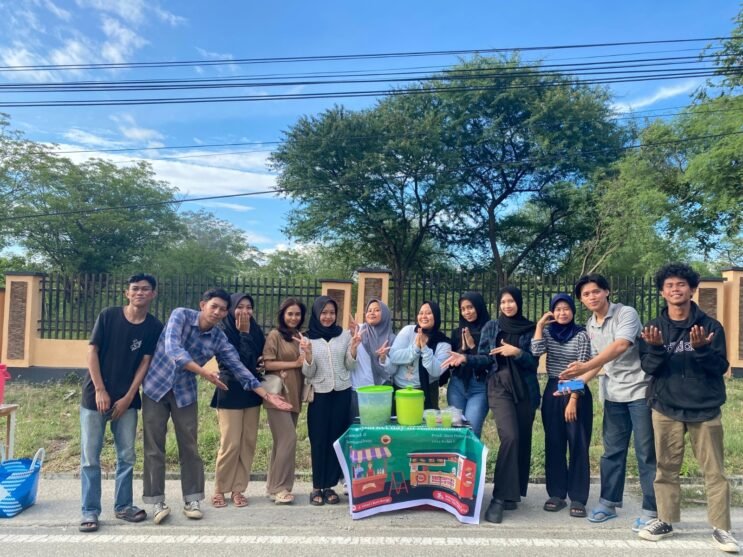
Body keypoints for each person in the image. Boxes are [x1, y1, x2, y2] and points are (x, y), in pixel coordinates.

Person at [141, 288, 291, 524]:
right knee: (154, 448)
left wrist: (266, 394)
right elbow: (173, 349)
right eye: (214, 307)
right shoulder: (180, 315)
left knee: (190, 447)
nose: (218, 312)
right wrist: (203, 372)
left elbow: (239, 367)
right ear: (203, 305)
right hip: (156, 388)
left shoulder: (218, 337)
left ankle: (192, 500)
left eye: (223, 309)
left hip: (185, 393)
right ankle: (157, 501)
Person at [637, 263, 739, 553]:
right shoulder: (653, 328)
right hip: (666, 407)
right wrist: (657, 348)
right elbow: (648, 367)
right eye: (669, 285)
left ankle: (721, 528)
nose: (675, 289)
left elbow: (720, 367)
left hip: (705, 408)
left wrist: (703, 350)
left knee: (714, 471)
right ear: (662, 292)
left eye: (681, 284)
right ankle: (665, 520)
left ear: (692, 289)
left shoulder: (710, 327)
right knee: (666, 468)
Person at [562, 273, 657, 530]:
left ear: (606, 291)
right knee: (612, 451)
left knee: (645, 452)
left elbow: (620, 346)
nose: (591, 297)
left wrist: (585, 366)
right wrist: (574, 384)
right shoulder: (591, 324)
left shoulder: (626, 313)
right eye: (586, 294)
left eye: (595, 291)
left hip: (640, 391)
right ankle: (608, 503)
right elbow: (598, 363)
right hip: (613, 394)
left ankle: (652, 509)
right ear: (582, 300)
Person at [79, 273, 163, 533]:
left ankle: (124, 506)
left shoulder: (154, 326)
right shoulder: (108, 316)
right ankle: (89, 510)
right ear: (127, 293)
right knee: (90, 458)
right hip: (95, 397)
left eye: (145, 289)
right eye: (135, 288)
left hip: (127, 401)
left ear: (153, 294)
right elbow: (92, 351)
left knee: (126, 456)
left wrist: (128, 397)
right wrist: (100, 390)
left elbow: (145, 362)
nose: (139, 293)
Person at [471, 287, 540, 524]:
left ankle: (513, 494)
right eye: (503, 302)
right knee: (510, 436)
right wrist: (466, 358)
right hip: (499, 386)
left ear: (518, 302)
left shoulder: (529, 328)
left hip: (525, 389)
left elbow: (533, 362)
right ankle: (499, 498)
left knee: (522, 439)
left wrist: (517, 352)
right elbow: (484, 357)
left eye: (511, 301)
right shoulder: (491, 327)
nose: (507, 306)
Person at [531, 293, 593, 518]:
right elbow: (536, 352)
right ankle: (556, 494)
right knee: (554, 442)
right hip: (553, 390)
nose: (562, 313)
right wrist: (539, 325)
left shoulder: (581, 335)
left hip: (576, 390)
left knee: (578, 444)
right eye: (557, 309)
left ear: (573, 312)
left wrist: (573, 399)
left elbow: (584, 367)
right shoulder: (548, 332)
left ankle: (578, 497)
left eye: (566, 309)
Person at [298, 295, 360, 506]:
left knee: (336, 439)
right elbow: (308, 372)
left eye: (332, 313)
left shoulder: (344, 335)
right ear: (317, 314)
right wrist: (308, 355)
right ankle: (317, 486)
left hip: (342, 391)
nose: (328, 317)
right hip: (319, 393)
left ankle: (330, 486)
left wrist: (354, 348)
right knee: (319, 439)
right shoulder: (307, 339)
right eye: (324, 313)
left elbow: (350, 365)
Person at [209, 293, 265, 509]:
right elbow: (236, 362)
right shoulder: (223, 332)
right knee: (230, 443)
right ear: (231, 310)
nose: (245, 311)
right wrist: (242, 334)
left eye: (249, 307)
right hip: (230, 390)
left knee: (247, 442)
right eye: (239, 307)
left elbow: (256, 360)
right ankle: (220, 488)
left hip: (252, 393)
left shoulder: (256, 330)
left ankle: (238, 489)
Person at [262, 297, 307, 505]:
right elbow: (268, 364)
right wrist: (295, 364)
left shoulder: (300, 336)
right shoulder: (275, 335)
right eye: (290, 314)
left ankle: (274, 486)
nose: (293, 317)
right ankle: (280, 488)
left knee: (282, 442)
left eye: (297, 314)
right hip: (277, 394)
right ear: (283, 315)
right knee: (289, 438)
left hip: (294, 393)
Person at [444, 292, 491, 438]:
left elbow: (490, 361)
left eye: (470, 307)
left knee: (472, 432)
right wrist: (463, 349)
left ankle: (472, 455)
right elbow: (452, 363)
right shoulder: (457, 332)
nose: (466, 312)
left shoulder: (490, 330)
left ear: (478, 306)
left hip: (479, 387)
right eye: (463, 309)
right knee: (456, 432)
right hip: (457, 386)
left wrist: (472, 346)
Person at [389, 300, 451, 410]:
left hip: (427, 391)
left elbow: (436, 371)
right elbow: (394, 356)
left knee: (425, 420)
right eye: (421, 313)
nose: (424, 316)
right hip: (400, 389)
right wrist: (416, 349)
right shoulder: (408, 331)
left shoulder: (444, 343)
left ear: (436, 316)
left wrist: (425, 349)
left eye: (428, 313)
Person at [349, 298, 396, 419]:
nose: (372, 313)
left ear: (385, 314)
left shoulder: (391, 338)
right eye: (369, 310)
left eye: (377, 310)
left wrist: (383, 358)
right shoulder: (358, 331)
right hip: (359, 390)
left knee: (380, 426)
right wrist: (353, 345)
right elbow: (348, 361)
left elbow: (393, 370)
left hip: (381, 389)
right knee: (359, 427)